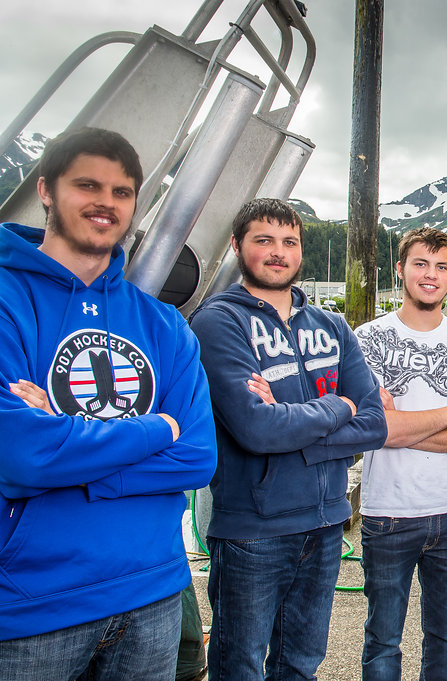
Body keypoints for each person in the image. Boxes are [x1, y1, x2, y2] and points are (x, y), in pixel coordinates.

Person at [0, 127, 217, 679]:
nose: (107, 202)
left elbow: (196, 456)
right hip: (32, 607)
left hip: (154, 593)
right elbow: (19, 454)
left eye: (122, 192)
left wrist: (68, 441)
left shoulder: (164, 324)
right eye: (88, 185)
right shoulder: (8, 301)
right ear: (46, 189)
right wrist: (156, 429)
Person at [189, 198, 386, 681]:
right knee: (239, 666)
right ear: (237, 246)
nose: (278, 253)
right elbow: (256, 428)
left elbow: (376, 423)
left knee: (301, 665)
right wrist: (338, 407)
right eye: (264, 240)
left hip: (325, 527)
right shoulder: (218, 322)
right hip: (251, 531)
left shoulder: (332, 325)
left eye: (289, 242)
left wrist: (290, 428)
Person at [354, 227, 447, 681]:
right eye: (420, 263)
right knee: (382, 640)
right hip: (386, 514)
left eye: (441, 267)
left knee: (445, 640)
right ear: (400, 270)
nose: (430, 275)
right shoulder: (367, 339)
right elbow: (374, 429)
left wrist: (401, 427)